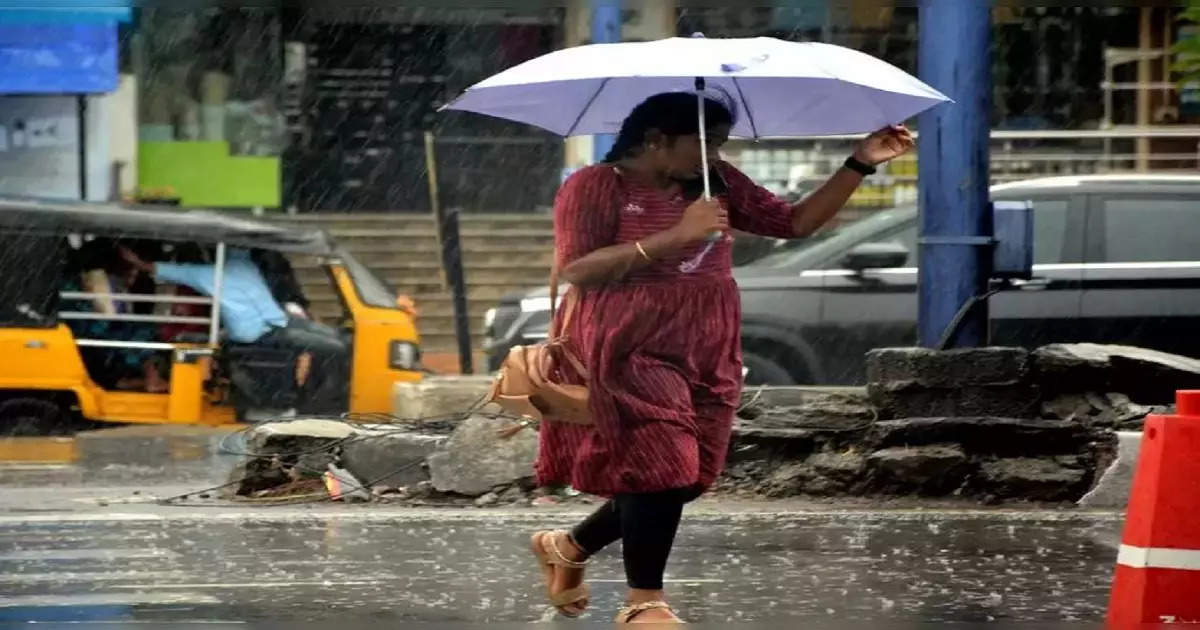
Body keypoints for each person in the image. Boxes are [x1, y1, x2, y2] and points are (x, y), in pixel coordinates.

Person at [529, 92, 914, 624]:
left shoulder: (718, 182)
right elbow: (579, 270)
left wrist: (859, 163)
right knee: (660, 466)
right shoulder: (595, 186)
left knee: (689, 477)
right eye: (704, 142)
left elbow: (794, 223)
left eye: (720, 143)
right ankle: (644, 604)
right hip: (627, 341)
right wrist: (677, 236)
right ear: (656, 140)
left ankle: (568, 546)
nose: (713, 154)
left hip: (707, 341)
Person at [117, 245, 348, 414]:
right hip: (259, 333)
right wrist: (135, 261)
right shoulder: (209, 274)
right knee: (333, 348)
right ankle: (317, 404)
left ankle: (315, 398)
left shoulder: (241, 263)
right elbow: (161, 269)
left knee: (335, 339)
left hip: (278, 323)